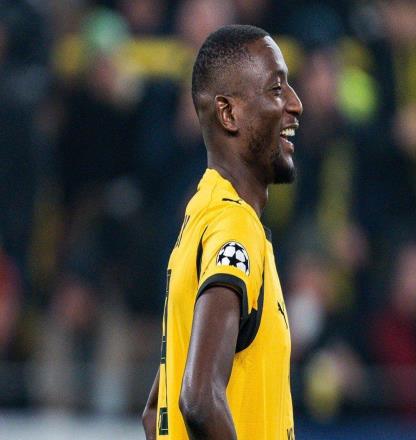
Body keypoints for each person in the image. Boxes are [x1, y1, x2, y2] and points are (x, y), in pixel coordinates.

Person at [142, 25, 303, 440]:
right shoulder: (233, 225)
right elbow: (199, 398)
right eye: (276, 89)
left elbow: (155, 413)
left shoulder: (201, 217)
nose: (295, 104)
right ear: (229, 114)